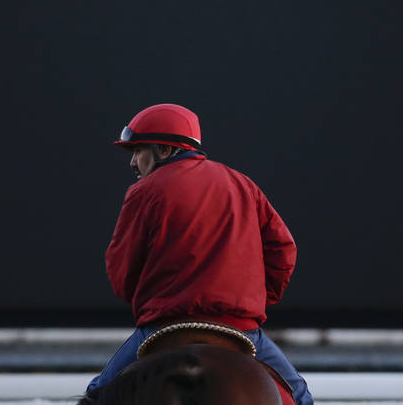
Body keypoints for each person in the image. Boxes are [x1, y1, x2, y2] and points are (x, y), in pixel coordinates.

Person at [86, 103, 313, 405]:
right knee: (301, 397)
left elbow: (121, 271)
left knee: (94, 397)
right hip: (241, 327)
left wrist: (145, 298)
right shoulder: (243, 184)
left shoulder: (143, 192)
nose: (133, 163)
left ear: (165, 151)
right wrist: (251, 301)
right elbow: (283, 251)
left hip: (163, 325)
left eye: (137, 151)